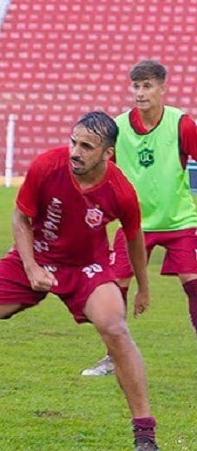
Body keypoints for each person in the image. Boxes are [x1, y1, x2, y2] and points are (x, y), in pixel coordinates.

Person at [0, 111, 160, 451]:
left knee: (116, 329)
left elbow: (134, 237)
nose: (75, 151)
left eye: (86, 146)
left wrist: (144, 286)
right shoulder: (47, 165)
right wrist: (31, 266)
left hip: (85, 267)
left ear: (107, 154)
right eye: (73, 141)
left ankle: (146, 438)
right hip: (33, 256)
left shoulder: (120, 191)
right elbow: (20, 217)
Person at [82, 60, 197, 376]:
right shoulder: (117, 129)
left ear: (162, 88)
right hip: (134, 225)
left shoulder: (182, 124)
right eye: (136, 86)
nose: (140, 92)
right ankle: (111, 357)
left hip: (180, 222)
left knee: (194, 284)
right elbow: (105, 173)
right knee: (115, 285)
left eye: (147, 86)